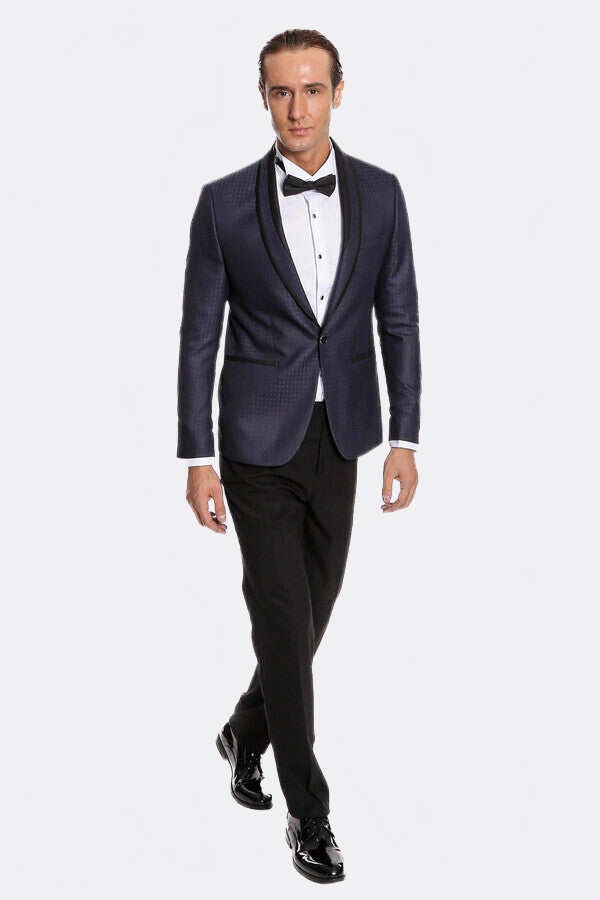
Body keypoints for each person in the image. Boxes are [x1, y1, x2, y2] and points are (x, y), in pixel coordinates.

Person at [177, 28, 421, 884]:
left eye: (312, 89)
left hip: (341, 436)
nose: (297, 108)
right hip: (253, 444)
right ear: (263, 98)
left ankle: (244, 730)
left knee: (311, 614)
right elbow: (198, 338)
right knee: (282, 620)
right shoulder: (222, 205)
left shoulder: (382, 195)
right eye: (281, 91)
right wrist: (197, 456)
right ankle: (309, 814)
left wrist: (405, 437)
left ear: (338, 92)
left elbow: (399, 320)